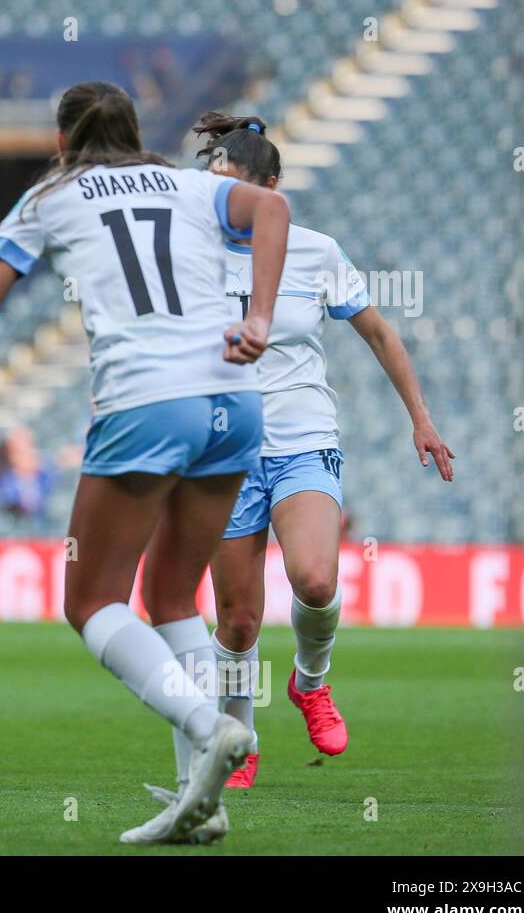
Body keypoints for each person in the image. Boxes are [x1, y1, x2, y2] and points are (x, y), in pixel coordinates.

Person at [0, 81, 291, 844]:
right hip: (234, 398)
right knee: (174, 598)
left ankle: (210, 728)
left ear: (62, 139)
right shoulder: (192, 183)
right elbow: (271, 209)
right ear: (135, 129)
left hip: (147, 402)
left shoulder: (51, 196)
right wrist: (261, 318)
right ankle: (198, 804)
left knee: (90, 603)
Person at [150, 112, 454, 790]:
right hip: (221, 453)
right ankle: (239, 735)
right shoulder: (185, 254)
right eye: (212, 186)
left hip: (303, 438)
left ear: (271, 189)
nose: (219, 200)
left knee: (315, 579)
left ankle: (310, 682)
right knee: (237, 618)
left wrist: (421, 418)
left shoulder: (314, 251)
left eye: (232, 186)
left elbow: (378, 333)